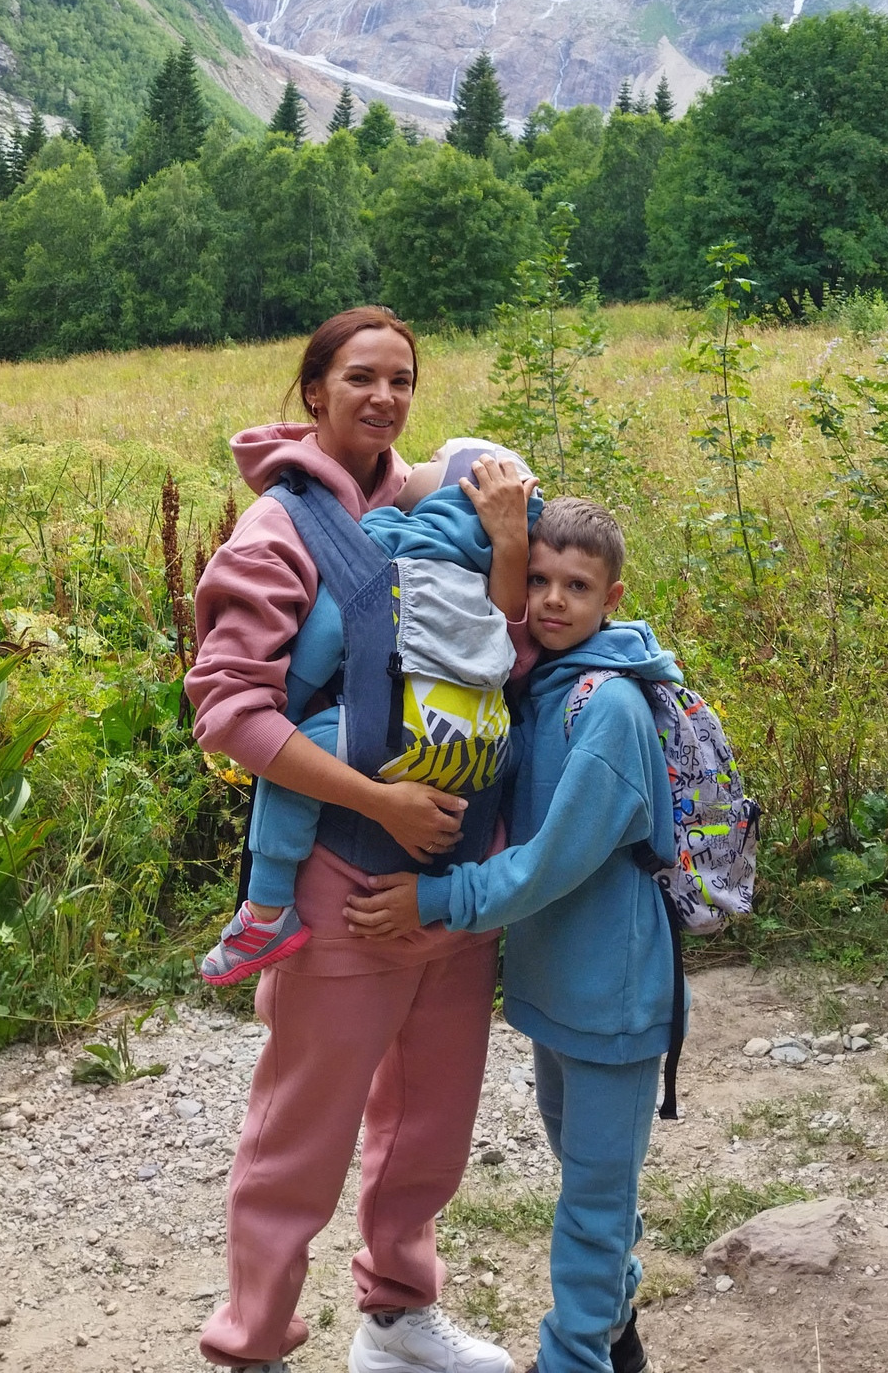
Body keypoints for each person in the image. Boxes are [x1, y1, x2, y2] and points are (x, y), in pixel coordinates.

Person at [186, 308, 519, 1373]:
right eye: (362, 377)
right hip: (341, 874)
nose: (384, 397)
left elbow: (500, 651)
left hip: (451, 878)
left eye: (403, 379)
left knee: (429, 1117)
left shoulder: (433, 506)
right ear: (314, 389)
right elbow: (231, 710)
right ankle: (254, 1345)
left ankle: (398, 1317)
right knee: (303, 1134)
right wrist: (380, 804)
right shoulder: (277, 531)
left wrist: (509, 536)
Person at [344, 497, 684, 1373]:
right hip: (557, 992)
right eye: (537, 579)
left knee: (592, 1199)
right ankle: (615, 1327)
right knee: (593, 1181)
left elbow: (544, 867)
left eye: (577, 585)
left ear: (613, 597)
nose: (551, 600)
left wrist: (435, 899)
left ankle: (575, 1356)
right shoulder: (541, 685)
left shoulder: (607, 708)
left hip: (615, 995)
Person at [200, 436, 539, 986]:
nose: (416, 462)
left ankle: (265, 911)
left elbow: (340, 625)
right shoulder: (487, 573)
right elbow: (512, 659)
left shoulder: (392, 546)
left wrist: (295, 692)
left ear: (459, 491)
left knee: (296, 759)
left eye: (433, 460)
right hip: (481, 747)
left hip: (405, 733)